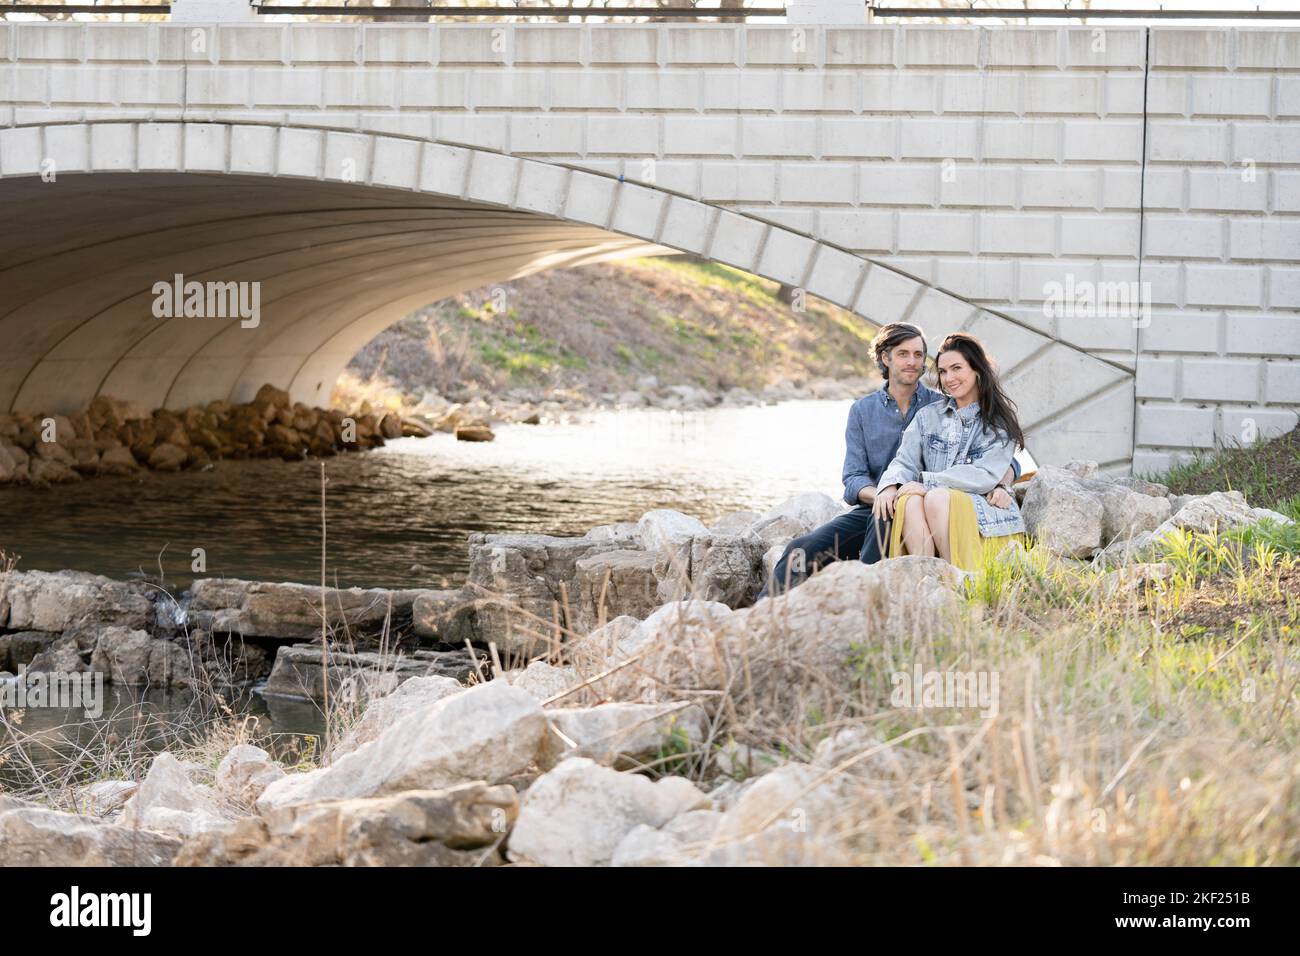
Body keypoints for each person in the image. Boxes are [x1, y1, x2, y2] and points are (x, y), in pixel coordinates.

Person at [756, 322, 1020, 600]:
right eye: (904, 354)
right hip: (876, 505)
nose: (912, 362)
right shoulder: (863, 411)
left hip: (918, 504)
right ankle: (763, 613)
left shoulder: (940, 404)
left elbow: (1001, 459)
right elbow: (853, 478)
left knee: (879, 536)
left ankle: (867, 607)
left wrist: (1003, 484)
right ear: (885, 358)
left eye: (918, 355)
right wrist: (886, 491)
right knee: (802, 548)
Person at [872, 332, 1028, 571]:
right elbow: (905, 461)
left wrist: (928, 482)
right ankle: (928, 578)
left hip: (984, 514)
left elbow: (985, 475)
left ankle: (955, 576)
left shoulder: (998, 422)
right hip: (935, 506)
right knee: (910, 500)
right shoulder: (928, 416)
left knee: (935, 496)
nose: (948, 378)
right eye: (943, 372)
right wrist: (889, 485)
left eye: (956, 368)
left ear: (976, 370)